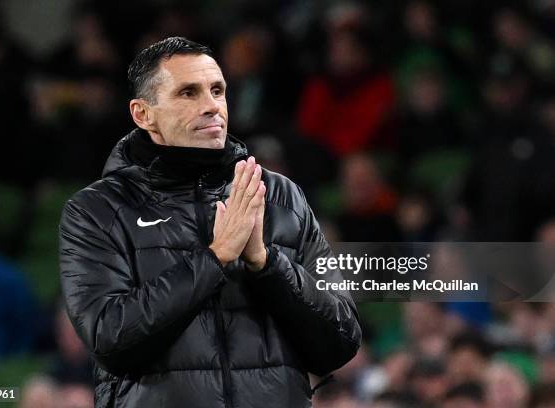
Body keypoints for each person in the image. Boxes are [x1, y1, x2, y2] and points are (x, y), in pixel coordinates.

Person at [59, 36, 361, 408]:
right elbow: (110, 339)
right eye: (189, 93)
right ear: (143, 114)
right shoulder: (98, 210)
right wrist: (215, 258)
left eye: (217, 91)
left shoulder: (281, 196)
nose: (211, 106)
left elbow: (340, 342)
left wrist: (267, 264)